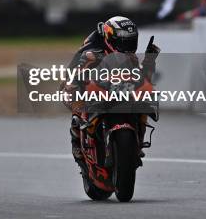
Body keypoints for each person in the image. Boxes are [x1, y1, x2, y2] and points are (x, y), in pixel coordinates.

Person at [65, 16, 160, 171]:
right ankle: (77, 143)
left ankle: (138, 141)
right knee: (76, 109)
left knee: (143, 101)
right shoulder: (92, 47)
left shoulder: (131, 57)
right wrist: (76, 83)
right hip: (96, 85)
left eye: (131, 41)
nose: (127, 45)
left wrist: (149, 62)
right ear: (110, 37)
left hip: (120, 90)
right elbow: (73, 72)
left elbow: (143, 78)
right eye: (123, 41)